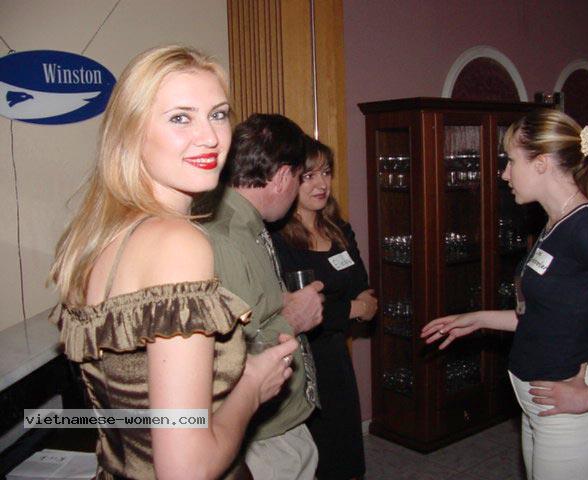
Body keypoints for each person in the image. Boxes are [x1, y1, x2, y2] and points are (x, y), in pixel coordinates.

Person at [48, 45, 297, 480]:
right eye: (181, 118)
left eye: (218, 114)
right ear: (131, 132)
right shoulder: (177, 244)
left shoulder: (100, 236)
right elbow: (186, 470)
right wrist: (252, 387)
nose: (210, 137)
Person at [421, 108, 588, 480]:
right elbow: (544, 316)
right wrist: (476, 319)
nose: (504, 173)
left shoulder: (587, 228)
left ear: (541, 163)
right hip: (538, 407)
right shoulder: (555, 223)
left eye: (511, 161)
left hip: (570, 416)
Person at [196, 114, 324, 479]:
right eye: (299, 178)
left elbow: (252, 312)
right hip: (261, 440)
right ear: (283, 177)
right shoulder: (225, 237)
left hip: (274, 426)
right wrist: (294, 318)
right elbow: (228, 357)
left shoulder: (248, 223)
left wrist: (281, 305)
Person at [272, 137, 377, 480]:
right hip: (299, 360)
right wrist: (352, 308)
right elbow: (291, 308)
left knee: (344, 458)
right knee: (305, 459)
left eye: (326, 173)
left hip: (335, 356)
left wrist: (352, 306)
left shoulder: (339, 229)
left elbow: (365, 290)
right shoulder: (276, 238)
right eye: (309, 176)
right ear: (290, 179)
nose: (321, 184)